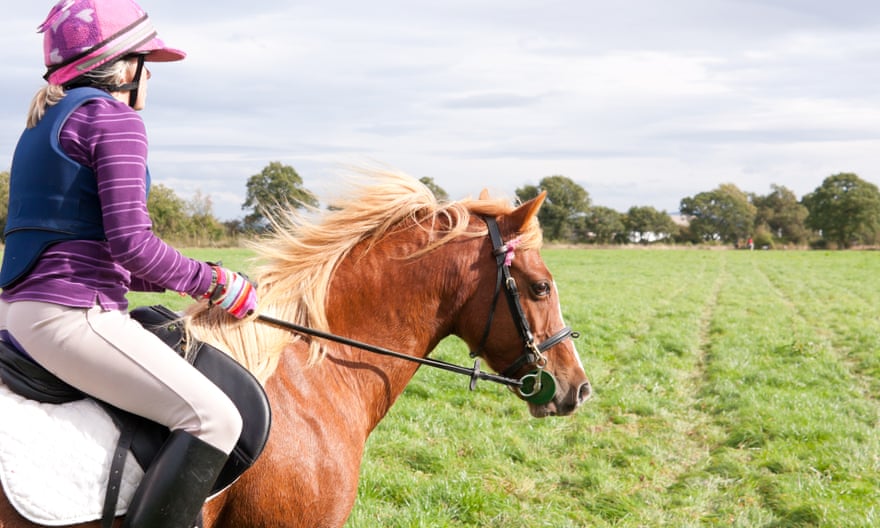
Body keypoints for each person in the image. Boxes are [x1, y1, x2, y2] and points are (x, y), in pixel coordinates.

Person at [0, 1, 257, 526]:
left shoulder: (44, 124)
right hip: (70, 317)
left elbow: (98, 251)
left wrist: (190, 279)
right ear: (126, 65)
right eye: (148, 63)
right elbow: (133, 243)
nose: (150, 78)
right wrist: (215, 284)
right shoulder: (114, 120)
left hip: (20, 312)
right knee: (214, 421)